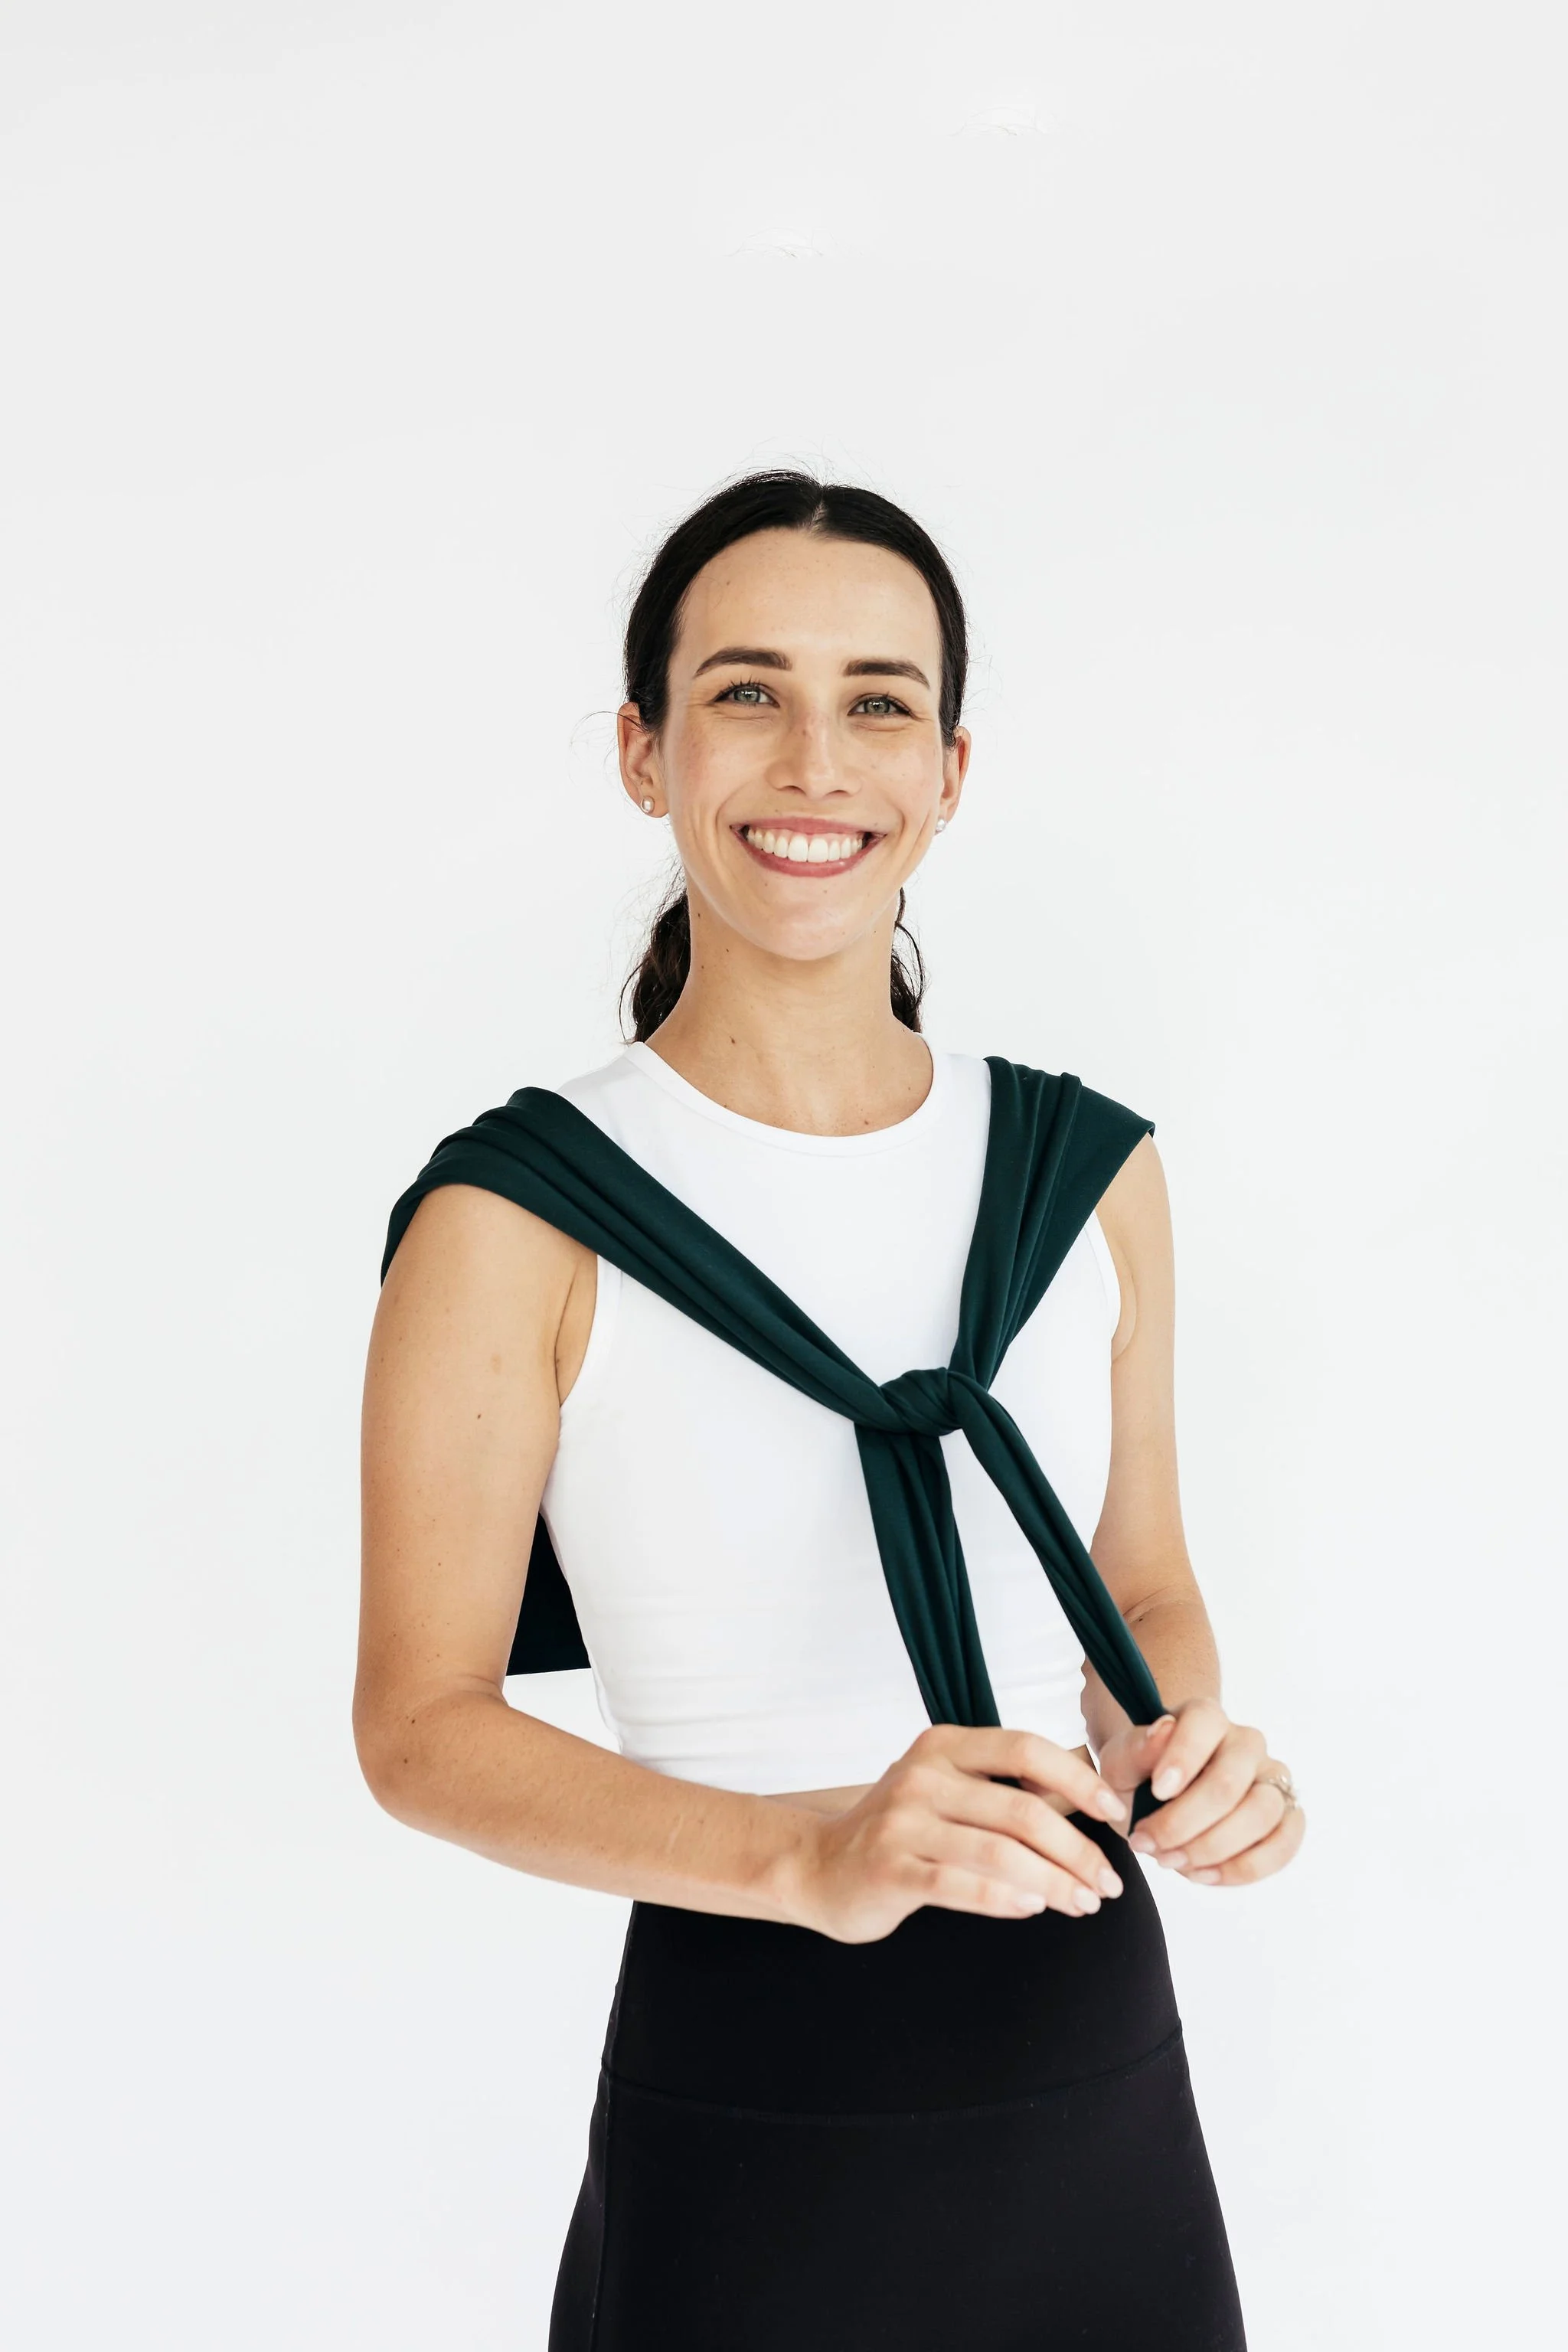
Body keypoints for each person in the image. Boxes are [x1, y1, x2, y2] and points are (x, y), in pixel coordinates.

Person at [354, 470, 1305, 2349]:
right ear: (644, 752)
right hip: (754, 2085)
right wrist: (808, 1853)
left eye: (878, 701)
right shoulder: (518, 1217)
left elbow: (1139, 1587)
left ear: (948, 773)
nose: (815, 760)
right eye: (745, 692)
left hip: (1099, 2069)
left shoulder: (1087, 1173)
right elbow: (418, 1727)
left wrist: (1178, 1749)